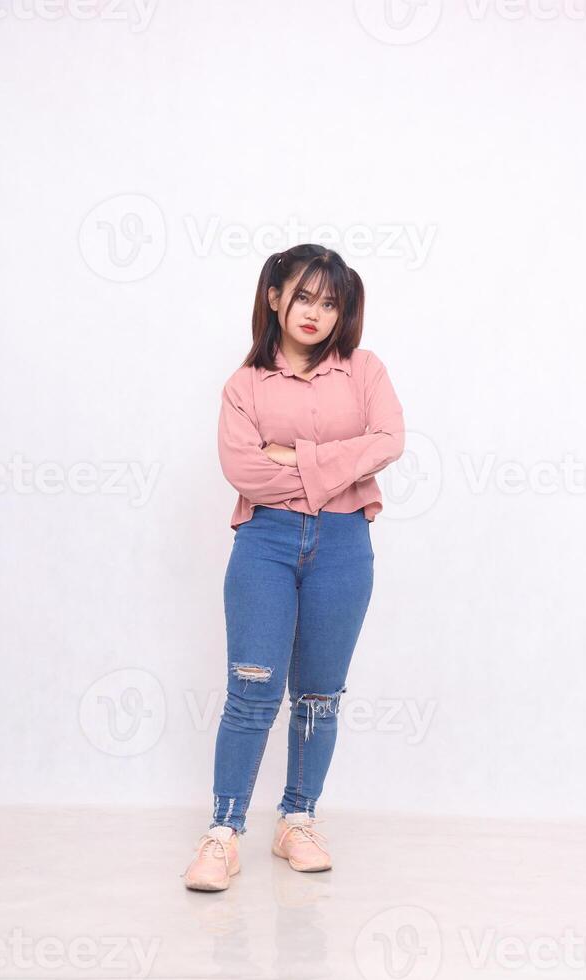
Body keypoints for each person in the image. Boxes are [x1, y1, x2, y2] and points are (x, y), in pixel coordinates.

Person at [182, 244, 405, 891]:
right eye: (303, 296)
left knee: (317, 698)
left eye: (330, 301)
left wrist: (294, 457)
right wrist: (337, 463)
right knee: (252, 692)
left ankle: (297, 819)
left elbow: (389, 441)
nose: (315, 312)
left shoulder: (365, 371)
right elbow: (241, 469)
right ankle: (224, 831)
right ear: (274, 296)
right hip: (265, 545)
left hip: (343, 547)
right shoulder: (244, 385)